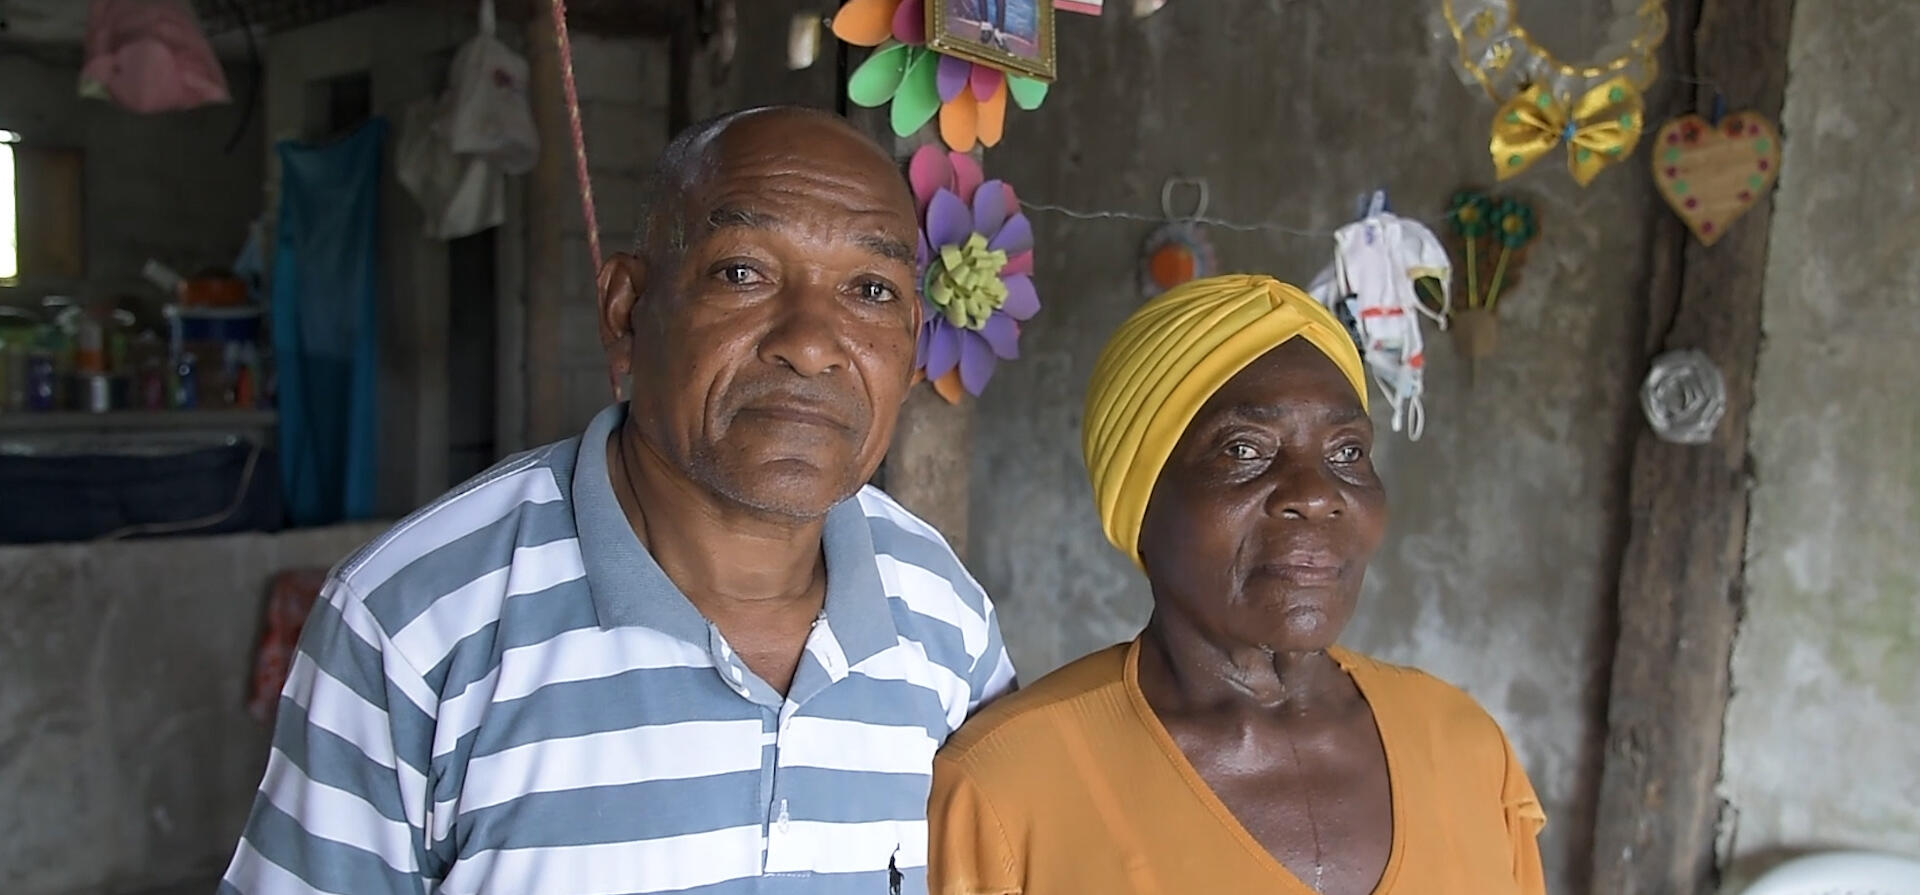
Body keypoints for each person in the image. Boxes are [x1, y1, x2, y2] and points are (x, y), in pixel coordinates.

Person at [221, 106, 1016, 895]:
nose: (810, 344)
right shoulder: (415, 623)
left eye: (870, 289)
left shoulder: (947, 620)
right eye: (743, 272)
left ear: (911, 342)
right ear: (627, 309)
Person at [927, 274, 1545, 895]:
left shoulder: (1466, 751)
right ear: (1138, 501)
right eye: (1244, 450)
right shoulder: (1009, 789)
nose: (1316, 495)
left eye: (1347, 453)